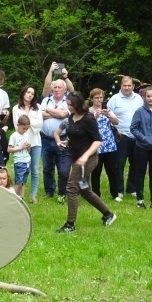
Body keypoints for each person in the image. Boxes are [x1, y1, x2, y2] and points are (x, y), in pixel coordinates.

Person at [56, 92, 117, 232]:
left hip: (88, 160)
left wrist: (85, 156)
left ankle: (70, 225)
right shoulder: (71, 117)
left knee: (71, 187)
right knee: (84, 190)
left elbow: (97, 140)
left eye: (70, 105)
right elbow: (77, 135)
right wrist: (67, 141)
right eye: (67, 105)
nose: (68, 107)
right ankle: (109, 215)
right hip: (77, 158)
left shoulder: (88, 118)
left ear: (77, 104)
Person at [39, 78, 70, 201]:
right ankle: (49, 191)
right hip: (45, 139)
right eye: (55, 87)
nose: (56, 90)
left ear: (65, 89)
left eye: (59, 87)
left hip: (62, 139)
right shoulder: (46, 100)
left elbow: (64, 115)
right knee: (47, 167)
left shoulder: (68, 101)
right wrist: (57, 113)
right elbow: (40, 115)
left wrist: (48, 111)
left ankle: (62, 192)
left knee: (62, 168)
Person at [12, 85, 42, 203]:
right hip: (22, 142)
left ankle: (33, 195)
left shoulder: (37, 107)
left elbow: (39, 124)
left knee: (34, 169)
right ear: (23, 93)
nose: (30, 95)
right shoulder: (16, 108)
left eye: (32, 93)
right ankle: (19, 194)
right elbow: (16, 125)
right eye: (28, 92)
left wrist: (26, 120)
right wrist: (29, 123)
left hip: (35, 141)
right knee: (21, 168)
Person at [89, 88, 119, 200]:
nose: (99, 100)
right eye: (96, 98)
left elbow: (116, 122)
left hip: (109, 144)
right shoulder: (88, 111)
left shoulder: (108, 110)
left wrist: (108, 116)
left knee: (112, 170)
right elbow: (88, 126)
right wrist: (95, 117)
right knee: (96, 171)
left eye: (101, 97)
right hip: (96, 145)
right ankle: (96, 194)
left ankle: (115, 194)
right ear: (92, 99)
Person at [7, 115, 32, 198]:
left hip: (27, 161)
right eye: (23, 128)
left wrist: (28, 147)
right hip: (19, 162)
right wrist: (20, 147)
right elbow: (9, 149)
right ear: (18, 125)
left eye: (26, 129)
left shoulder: (26, 135)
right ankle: (8, 194)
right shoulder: (14, 136)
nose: (25, 130)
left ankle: (21, 198)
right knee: (19, 183)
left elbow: (28, 150)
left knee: (23, 182)